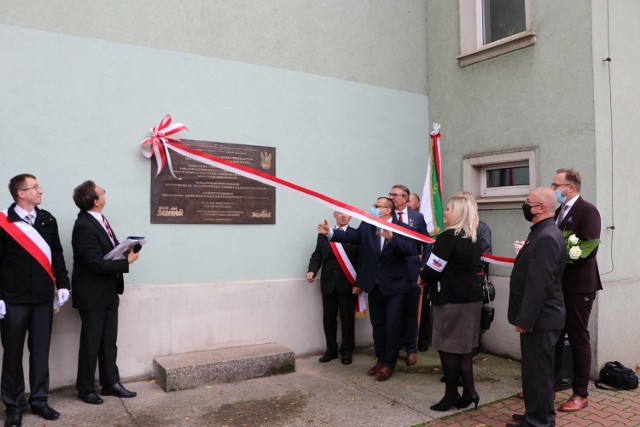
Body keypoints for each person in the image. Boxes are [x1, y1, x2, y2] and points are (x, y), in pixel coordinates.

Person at [317, 197, 418, 381]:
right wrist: (330, 232)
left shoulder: (401, 227)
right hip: (375, 285)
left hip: (396, 286)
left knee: (392, 324)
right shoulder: (368, 225)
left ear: (387, 210)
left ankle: (389, 363)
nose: (372, 209)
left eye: (376, 206)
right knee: (378, 325)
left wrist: (392, 238)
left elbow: (411, 249)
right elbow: (351, 237)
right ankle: (381, 359)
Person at [0, 174, 71, 426]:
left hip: (42, 299)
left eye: (39, 186)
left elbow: (58, 254)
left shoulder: (47, 219)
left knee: (40, 351)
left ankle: (40, 400)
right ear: (20, 193)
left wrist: (63, 284)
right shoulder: (3, 222)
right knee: (12, 354)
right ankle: (14, 405)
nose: (40, 191)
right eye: (35, 187)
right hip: (13, 300)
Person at [71, 181, 140, 405]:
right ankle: (86, 388)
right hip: (91, 294)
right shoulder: (83, 226)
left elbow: (108, 252)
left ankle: (111, 383)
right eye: (102, 192)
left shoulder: (100, 220)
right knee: (91, 342)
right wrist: (126, 262)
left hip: (109, 290)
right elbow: (95, 264)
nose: (104, 193)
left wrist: (126, 248)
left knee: (109, 340)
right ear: (95, 200)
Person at [507, 188, 566, 427]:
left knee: (539, 373)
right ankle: (536, 413)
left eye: (528, 202)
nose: (524, 204)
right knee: (533, 372)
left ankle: (539, 421)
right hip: (540, 318)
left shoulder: (547, 236)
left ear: (541, 208)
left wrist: (525, 319)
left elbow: (538, 284)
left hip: (542, 319)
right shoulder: (541, 232)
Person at [418, 195, 482, 412]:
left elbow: (434, 267)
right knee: (463, 349)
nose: (444, 212)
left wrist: (422, 277)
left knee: (447, 348)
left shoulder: (448, 237)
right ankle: (470, 391)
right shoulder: (473, 237)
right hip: (471, 299)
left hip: (451, 301)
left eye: (447, 209)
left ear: (458, 213)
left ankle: (452, 394)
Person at [552, 168, 602, 413]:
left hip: (579, 286)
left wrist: (559, 257)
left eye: (556, 185)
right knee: (555, 337)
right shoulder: (559, 210)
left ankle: (581, 393)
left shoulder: (588, 210)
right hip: (558, 286)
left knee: (578, 336)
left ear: (570, 188)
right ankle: (548, 385)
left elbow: (589, 248)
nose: (553, 189)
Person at [306, 211, 361, 365]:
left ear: (351, 217)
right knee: (328, 319)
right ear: (335, 215)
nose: (344, 216)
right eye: (340, 213)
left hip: (348, 285)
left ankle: (347, 352)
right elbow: (317, 255)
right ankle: (331, 350)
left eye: (347, 214)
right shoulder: (324, 233)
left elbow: (361, 260)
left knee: (347, 319)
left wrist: (358, 284)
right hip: (328, 284)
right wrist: (311, 270)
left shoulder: (355, 235)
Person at [388, 185, 431, 366]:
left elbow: (427, 243)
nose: (392, 198)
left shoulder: (417, 217)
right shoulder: (386, 217)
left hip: (412, 271)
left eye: (396, 195)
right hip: (391, 271)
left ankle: (411, 350)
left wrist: (424, 267)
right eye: (391, 194)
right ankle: (392, 347)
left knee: (410, 312)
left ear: (406, 199)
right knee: (393, 313)